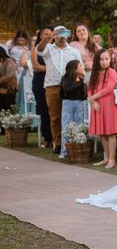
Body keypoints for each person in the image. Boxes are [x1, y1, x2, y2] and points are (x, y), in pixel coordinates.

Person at [37, 26, 82, 154]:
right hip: (53, 85)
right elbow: (39, 50)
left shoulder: (74, 51)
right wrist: (49, 38)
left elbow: (80, 68)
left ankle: (71, 143)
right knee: (55, 117)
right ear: (55, 35)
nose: (62, 36)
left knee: (70, 117)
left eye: (64, 33)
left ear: (67, 35)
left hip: (70, 87)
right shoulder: (48, 48)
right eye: (59, 33)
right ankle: (58, 143)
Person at [88, 49, 117, 169]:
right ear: (97, 60)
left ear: (110, 59)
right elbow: (90, 87)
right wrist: (92, 100)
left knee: (110, 133)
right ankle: (106, 157)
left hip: (109, 104)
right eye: (101, 59)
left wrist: (92, 98)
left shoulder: (112, 72)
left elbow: (109, 88)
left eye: (106, 59)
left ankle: (112, 159)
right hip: (98, 105)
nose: (104, 62)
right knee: (102, 133)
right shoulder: (95, 73)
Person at [30, 28, 53, 148]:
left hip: (53, 82)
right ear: (40, 35)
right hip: (40, 82)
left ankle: (56, 137)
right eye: (46, 34)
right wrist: (52, 68)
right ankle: (47, 138)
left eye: (50, 34)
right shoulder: (35, 48)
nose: (48, 36)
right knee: (44, 110)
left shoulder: (55, 49)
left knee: (54, 111)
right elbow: (36, 67)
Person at [59, 60, 87, 159]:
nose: (83, 67)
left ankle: (77, 149)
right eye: (80, 66)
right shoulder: (66, 78)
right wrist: (81, 83)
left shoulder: (82, 79)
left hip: (79, 103)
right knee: (66, 126)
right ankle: (64, 151)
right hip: (68, 103)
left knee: (79, 125)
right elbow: (67, 90)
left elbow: (84, 94)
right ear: (74, 68)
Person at [0, 45, 18, 118]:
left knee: (9, 111)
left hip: (8, 90)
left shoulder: (9, 62)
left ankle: (9, 128)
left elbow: (9, 76)